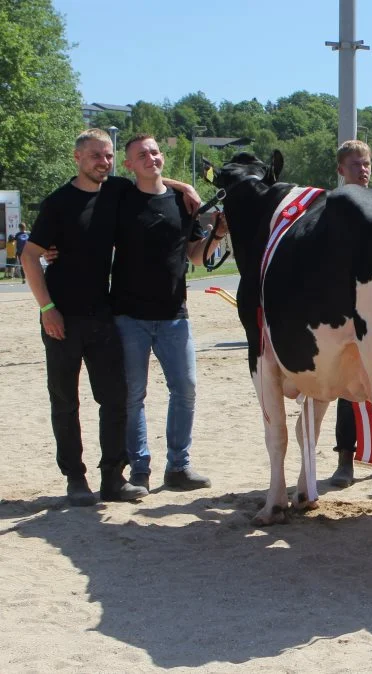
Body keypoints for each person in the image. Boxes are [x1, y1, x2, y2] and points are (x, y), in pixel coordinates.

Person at [19, 129, 151, 505]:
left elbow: (151, 179)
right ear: (77, 157)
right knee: (65, 401)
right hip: (61, 318)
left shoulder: (117, 192)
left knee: (115, 399)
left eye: (108, 156)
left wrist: (186, 189)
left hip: (103, 315)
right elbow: (31, 256)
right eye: (96, 156)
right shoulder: (58, 203)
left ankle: (114, 478)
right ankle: (75, 479)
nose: (104, 162)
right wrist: (47, 309)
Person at [113, 134, 223, 490]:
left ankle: (178, 466)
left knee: (186, 389)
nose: (151, 158)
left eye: (155, 152)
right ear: (128, 164)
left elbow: (194, 255)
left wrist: (217, 236)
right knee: (133, 396)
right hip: (129, 316)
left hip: (175, 314)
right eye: (141, 154)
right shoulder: (120, 197)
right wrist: (187, 182)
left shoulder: (181, 202)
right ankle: (139, 469)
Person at [328, 140, 372, 487]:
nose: (362, 169)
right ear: (341, 170)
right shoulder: (332, 207)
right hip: (342, 309)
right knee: (346, 387)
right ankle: (344, 460)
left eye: (365, 163)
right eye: (354, 164)